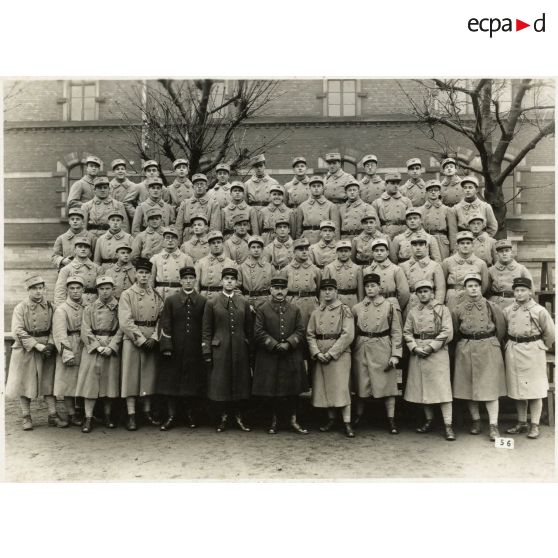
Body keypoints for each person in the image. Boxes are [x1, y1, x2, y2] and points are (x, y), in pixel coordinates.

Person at [451, 272, 507, 441]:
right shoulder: (457, 308)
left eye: (476, 286)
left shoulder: (491, 306)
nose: (473, 289)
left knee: (490, 389)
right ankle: (476, 421)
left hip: (488, 348)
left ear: (480, 287)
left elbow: (501, 328)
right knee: (470, 388)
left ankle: (493, 425)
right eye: (470, 286)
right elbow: (455, 331)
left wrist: (490, 343)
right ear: (465, 288)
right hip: (466, 348)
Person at [253, 276, 309, 434]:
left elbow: (300, 330)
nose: (279, 291)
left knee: (293, 389)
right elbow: (258, 332)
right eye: (276, 288)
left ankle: (293, 420)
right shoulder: (263, 309)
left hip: (291, 356)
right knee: (273, 390)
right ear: (271, 290)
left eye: (282, 289)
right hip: (271, 356)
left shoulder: (295, 309)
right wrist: (274, 344)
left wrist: (289, 343)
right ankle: (274, 421)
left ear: (286, 290)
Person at [5, 275, 61, 430]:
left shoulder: (51, 307)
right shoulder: (20, 308)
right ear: (28, 290)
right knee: (25, 384)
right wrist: (37, 345)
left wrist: (50, 344)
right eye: (34, 289)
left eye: (41, 288)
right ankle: (26, 416)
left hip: (47, 350)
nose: (38, 292)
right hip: (26, 349)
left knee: (48, 383)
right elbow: (17, 331)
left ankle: (52, 415)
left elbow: (56, 327)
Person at [201, 267, 253, 432]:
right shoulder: (212, 302)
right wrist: (207, 351)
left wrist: (249, 349)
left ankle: (238, 417)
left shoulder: (243, 302)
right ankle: (223, 418)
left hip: (239, 350)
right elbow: (207, 330)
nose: (229, 281)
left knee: (239, 382)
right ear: (221, 281)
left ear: (236, 282)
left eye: (232, 279)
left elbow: (249, 329)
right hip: (220, 350)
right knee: (221, 384)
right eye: (226, 278)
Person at [503, 277, 555, 440]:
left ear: (530, 292)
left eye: (523, 290)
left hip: (533, 351)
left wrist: (541, 346)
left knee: (534, 391)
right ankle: (521, 422)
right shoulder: (508, 310)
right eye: (517, 290)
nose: (519, 293)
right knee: (518, 390)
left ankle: (535, 424)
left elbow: (550, 333)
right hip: (514, 350)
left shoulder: (539, 310)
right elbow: (503, 330)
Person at [403, 279, 455, 441]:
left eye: (426, 291)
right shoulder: (413, 311)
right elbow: (407, 332)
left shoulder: (442, 309)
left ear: (432, 292)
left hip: (437, 352)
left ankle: (448, 425)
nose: (423, 294)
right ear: (416, 295)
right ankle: (429, 420)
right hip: (418, 351)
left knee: (442, 389)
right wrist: (414, 347)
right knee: (423, 389)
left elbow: (447, 331)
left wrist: (431, 347)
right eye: (420, 292)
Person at [351, 273, 403, 434]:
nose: (370, 289)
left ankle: (391, 419)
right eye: (367, 286)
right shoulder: (357, 308)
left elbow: (396, 331)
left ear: (380, 287)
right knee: (361, 384)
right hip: (363, 346)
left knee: (387, 385)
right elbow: (352, 331)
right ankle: (358, 416)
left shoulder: (389, 306)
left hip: (382, 346)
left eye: (373, 286)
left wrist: (395, 354)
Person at [159, 266, 207, 431]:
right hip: (174, 349)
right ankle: (171, 416)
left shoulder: (202, 301)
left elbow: (205, 327)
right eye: (185, 278)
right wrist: (167, 346)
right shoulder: (171, 300)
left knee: (192, 383)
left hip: (194, 350)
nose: (188, 281)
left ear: (195, 281)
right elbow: (165, 324)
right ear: (180, 281)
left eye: (191, 279)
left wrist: (203, 348)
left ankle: (190, 415)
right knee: (171, 383)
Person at [118, 257, 163, 431]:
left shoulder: (156, 295)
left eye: (146, 273)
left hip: (151, 339)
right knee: (131, 377)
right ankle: (131, 415)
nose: (144, 276)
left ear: (150, 275)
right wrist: (141, 339)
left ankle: (146, 412)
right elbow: (125, 321)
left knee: (148, 377)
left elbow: (162, 318)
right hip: (133, 340)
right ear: (135, 274)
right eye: (141, 273)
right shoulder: (127, 294)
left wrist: (154, 337)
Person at [307, 279, 355, 437]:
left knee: (341, 387)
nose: (327, 292)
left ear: (336, 292)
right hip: (321, 353)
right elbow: (310, 334)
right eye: (324, 290)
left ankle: (347, 422)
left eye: (330, 289)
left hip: (339, 354)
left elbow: (348, 335)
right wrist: (317, 353)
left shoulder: (344, 310)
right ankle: (331, 419)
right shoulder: (316, 311)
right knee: (326, 387)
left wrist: (332, 353)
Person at [76, 276, 123, 433]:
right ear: (97, 290)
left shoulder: (119, 307)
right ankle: (88, 417)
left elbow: (121, 329)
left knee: (109, 384)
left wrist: (112, 346)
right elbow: (85, 329)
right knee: (90, 384)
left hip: (111, 347)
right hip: (93, 349)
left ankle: (108, 415)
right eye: (101, 289)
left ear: (113, 289)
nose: (105, 292)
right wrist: (97, 346)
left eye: (108, 288)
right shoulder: (90, 308)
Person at [53, 276, 85, 427]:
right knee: (68, 381)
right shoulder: (62, 309)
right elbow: (59, 334)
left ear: (83, 290)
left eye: (78, 288)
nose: (75, 291)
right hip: (70, 344)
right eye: (72, 288)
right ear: (67, 290)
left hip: (84, 344)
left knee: (83, 379)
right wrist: (66, 353)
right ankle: (71, 413)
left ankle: (83, 411)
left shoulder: (87, 306)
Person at [363, 238, 410, 323]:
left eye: (382, 250)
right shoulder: (367, 270)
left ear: (387, 253)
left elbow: (404, 292)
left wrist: (396, 305)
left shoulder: (396, 269)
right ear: (372, 253)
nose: (379, 253)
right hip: (373, 304)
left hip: (391, 303)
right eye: (376, 251)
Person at [442, 230, 489, 312]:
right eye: (462, 243)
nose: (465, 246)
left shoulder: (481, 263)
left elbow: (484, 286)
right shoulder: (447, 262)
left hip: (472, 298)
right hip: (453, 299)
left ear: (473, 245)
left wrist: (474, 295)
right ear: (457, 246)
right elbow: (442, 284)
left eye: (468, 243)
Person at [399, 235, 446, 317]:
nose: (418, 248)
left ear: (426, 247)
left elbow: (440, 289)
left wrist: (437, 305)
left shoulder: (435, 266)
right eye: (415, 245)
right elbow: (401, 290)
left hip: (429, 303)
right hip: (410, 304)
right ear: (410, 247)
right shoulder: (403, 266)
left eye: (421, 245)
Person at [281, 237, 321, 329]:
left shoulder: (316, 270)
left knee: (311, 330)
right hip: (293, 303)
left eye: (306, 249)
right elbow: (282, 291)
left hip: (311, 305)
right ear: (294, 252)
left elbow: (319, 290)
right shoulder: (286, 270)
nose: (304, 252)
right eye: (300, 249)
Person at [150, 226, 194, 301]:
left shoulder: (186, 259)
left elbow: (191, 281)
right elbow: (150, 281)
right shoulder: (155, 259)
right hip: (160, 295)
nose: (170, 240)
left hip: (180, 295)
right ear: (163, 240)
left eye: (173, 238)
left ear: (178, 240)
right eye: (167, 237)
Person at [175, 173, 221, 244]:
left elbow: (214, 227)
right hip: (187, 237)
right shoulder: (185, 203)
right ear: (193, 187)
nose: (199, 186)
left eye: (202, 184)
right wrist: (178, 243)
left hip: (205, 237)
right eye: (197, 184)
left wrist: (211, 241)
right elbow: (179, 226)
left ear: (206, 186)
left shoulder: (213, 203)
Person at [487, 239, 534, 309]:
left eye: (507, 250)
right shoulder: (491, 270)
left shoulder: (521, 269)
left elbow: (531, 290)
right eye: (501, 251)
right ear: (497, 253)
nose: (504, 253)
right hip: (497, 304)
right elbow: (486, 291)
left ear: (511, 252)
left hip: (517, 303)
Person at [54, 238, 101, 306]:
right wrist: (61, 309)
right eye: (80, 247)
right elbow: (60, 292)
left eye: (86, 247)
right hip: (74, 305)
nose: (83, 249)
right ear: (75, 250)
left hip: (93, 304)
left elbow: (101, 290)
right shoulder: (66, 269)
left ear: (90, 251)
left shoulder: (97, 268)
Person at [295, 176, 340, 244]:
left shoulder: (331, 206)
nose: (316, 188)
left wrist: (335, 244)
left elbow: (336, 229)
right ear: (309, 188)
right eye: (314, 186)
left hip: (324, 239)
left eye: (318, 186)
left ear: (323, 188)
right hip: (307, 239)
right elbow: (298, 229)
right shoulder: (302, 206)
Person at [195, 230, 237, 301]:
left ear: (222, 244)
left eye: (218, 242)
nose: (216, 245)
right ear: (209, 245)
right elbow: (195, 286)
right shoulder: (200, 263)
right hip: (205, 298)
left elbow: (235, 287)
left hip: (224, 299)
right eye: (213, 243)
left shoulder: (231, 263)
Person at [421, 179, 457, 260]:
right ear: (426, 193)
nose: (433, 192)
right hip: (426, 241)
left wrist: (453, 250)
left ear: (439, 192)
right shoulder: (421, 210)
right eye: (430, 190)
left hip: (441, 242)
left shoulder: (447, 210)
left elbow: (453, 233)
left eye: (436, 190)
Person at [323, 240, 364, 309]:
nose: (343, 254)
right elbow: (324, 290)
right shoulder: (329, 268)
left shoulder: (357, 268)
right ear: (336, 252)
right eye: (341, 251)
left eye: (346, 251)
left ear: (350, 252)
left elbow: (360, 291)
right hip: (335, 300)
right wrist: (324, 305)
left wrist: (360, 305)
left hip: (352, 301)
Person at [372, 172, 413, 239]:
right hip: (385, 234)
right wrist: (381, 235)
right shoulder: (377, 202)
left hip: (403, 235)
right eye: (393, 183)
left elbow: (411, 220)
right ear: (386, 184)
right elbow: (375, 223)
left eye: (397, 183)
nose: (396, 186)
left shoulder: (406, 201)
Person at [238, 236, 273, 312]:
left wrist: (271, 302)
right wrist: (245, 304)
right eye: (253, 247)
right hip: (249, 302)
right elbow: (236, 289)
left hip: (267, 302)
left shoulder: (269, 267)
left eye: (258, 247)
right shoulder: (242, 267)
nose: (256, 250)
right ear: (249, 250)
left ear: (262, 249)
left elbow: (275, 288)